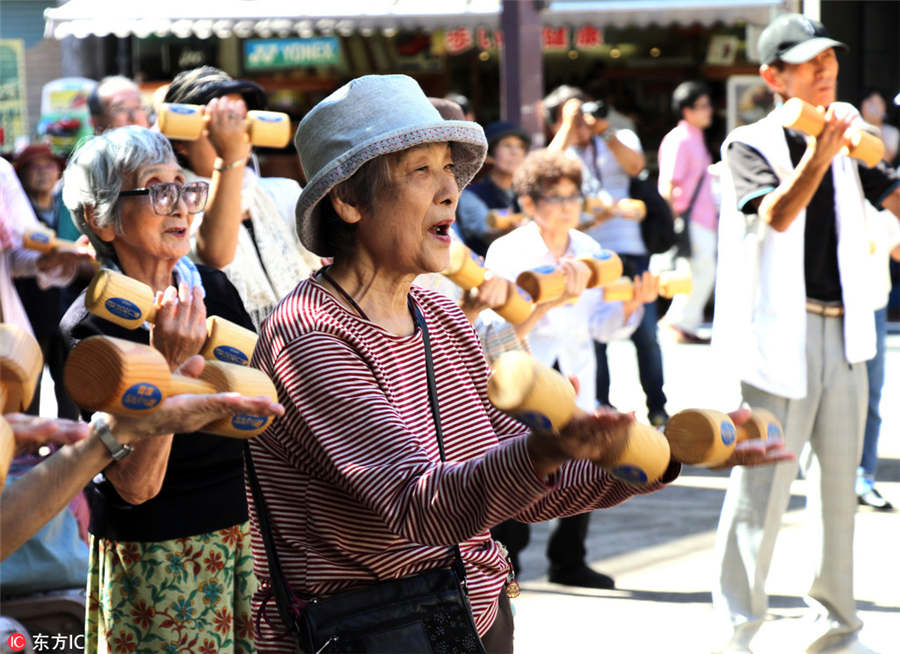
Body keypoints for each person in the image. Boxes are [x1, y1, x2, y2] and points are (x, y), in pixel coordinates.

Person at [246, 74, 676, 653]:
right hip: (366, 631)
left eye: (449, 168)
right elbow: (418, 505)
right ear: (348, 200)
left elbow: (524, 483)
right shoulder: (311, 334)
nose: (451, 190)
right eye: (421, 170)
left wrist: (660, 453)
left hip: (476, 612)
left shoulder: (440, 316)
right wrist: (544, 451)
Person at [711, 13, 900, 654]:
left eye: (830, 59)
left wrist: (850, 144)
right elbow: (776, 216)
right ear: (773, 76)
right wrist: (822, 153)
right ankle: (738, 632)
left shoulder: (846, 133)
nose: (825, 70)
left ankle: (837, 629)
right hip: (776, 339)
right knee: (759, 491)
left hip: (846, 334)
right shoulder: (747, 144)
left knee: (838, 492)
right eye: (808, 61)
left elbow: (890, 194)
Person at [59, 125, 273, 654]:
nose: (180, 206)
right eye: (157, 189)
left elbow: (264, 410)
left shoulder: (211, 289)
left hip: (247, 539)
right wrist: (167, 364)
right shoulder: (91, 326)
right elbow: (134, 486)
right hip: (159, 557)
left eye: (184, 186)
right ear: (100, 218)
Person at [482, 147, 657, 589]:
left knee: (585, 457)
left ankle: (569, 559)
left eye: (572, 197)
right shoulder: (509, 249)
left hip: (577, 367)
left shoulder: (590, 249)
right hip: (528, 370)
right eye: (555, 198)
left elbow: (601, 327)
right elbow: (494, 328)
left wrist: (631, 307)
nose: (566, 207)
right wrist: (550, 299)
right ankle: (505, 565)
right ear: (528, 203)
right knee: (519, 461)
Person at [545, 85, 668, 426]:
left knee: (646, 332)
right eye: (573, 116)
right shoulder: (564, 149)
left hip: (631, 249)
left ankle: (658, 407)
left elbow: (635, 165)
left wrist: (604, 131)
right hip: (589, 251)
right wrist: (567, 128)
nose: (581, 122)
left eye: (583, 112)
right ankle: (600, 404)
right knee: (593, 334)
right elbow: (545, 172)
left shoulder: (618, 136)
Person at [162, 66, 320, 329]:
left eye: (240, 121)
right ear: (181, 142)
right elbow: (215, 256)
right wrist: (231, 157)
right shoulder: (171, 207)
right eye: (221, 123)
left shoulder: (284, 191)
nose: (234, 133)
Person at [13, 144, 91, 418]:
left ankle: (68, 437)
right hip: (27, 313)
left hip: (67, 310)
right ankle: (30, 437)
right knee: (27, 383)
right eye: (34, 166)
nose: (43, 172)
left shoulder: (70, 209)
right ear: (20, 175)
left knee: (69, 384)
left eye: (48, 165)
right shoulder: (15, 213)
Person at [658, 81, 718, 344]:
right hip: (689, 219)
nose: (709, 111)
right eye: (702, 106)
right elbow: (667, 185)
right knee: (697, 273)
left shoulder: (695, 137)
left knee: (701, 272)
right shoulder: (680, 139)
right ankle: (678, 323)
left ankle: (683, 323)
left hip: (702, 218)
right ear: (687, 110)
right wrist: (671, 222)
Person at [456, 122, 530, 257]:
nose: (515, 152)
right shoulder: (471, 195)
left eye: (520, 146)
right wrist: (511, 231)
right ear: (489, 155)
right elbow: (486, 234)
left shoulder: (525, 193)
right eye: (507, 145)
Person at [859, 89, 898, 165]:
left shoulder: (892, 132)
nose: (874, 108)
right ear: (862, 106)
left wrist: (875, 127)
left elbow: (886, 159)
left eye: (878, 103)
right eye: (871, 102)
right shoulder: (853, 127)